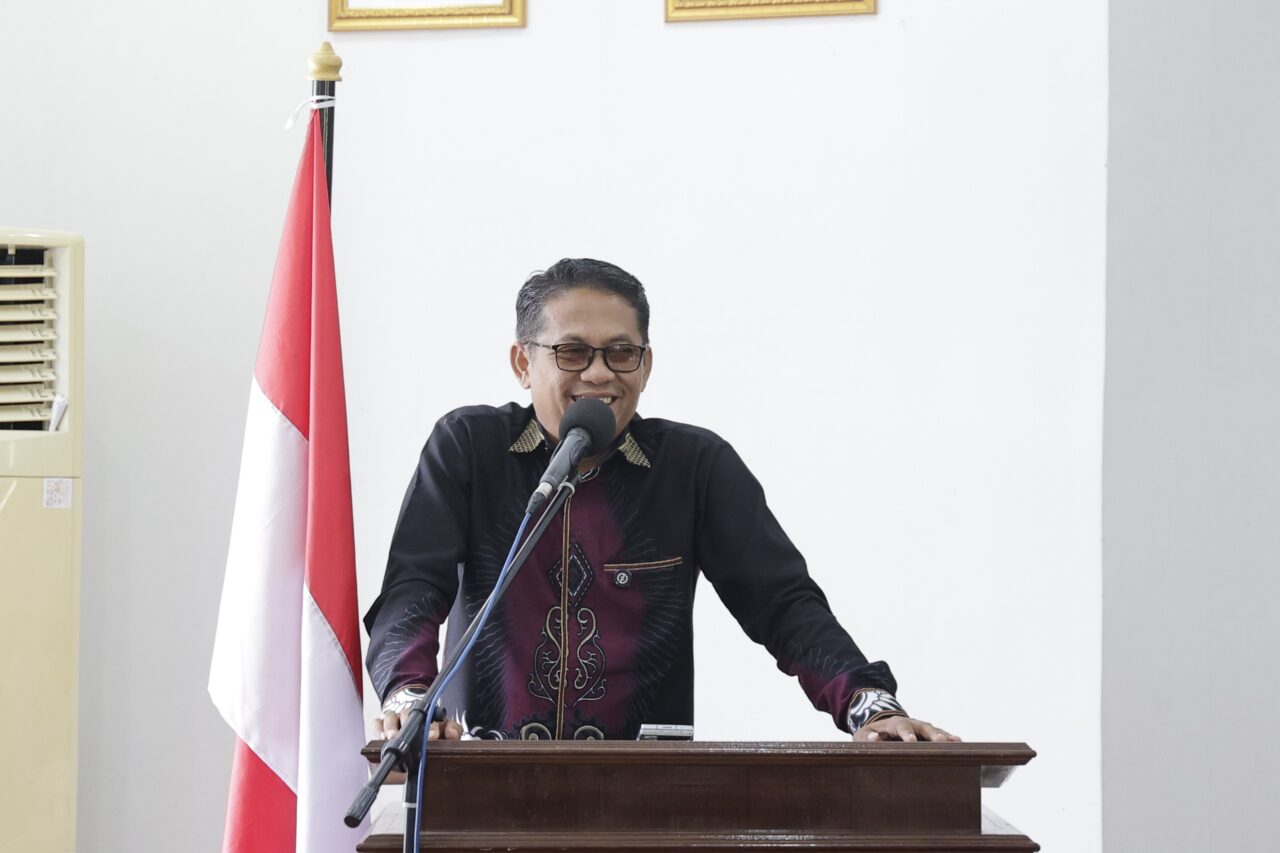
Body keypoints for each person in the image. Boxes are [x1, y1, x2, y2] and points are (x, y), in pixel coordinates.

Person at [365, 258, 957, 744]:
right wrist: (410, 696)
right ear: (524, 362)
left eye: (621, 353)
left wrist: (868, 705)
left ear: (645, 365)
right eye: (572, 352)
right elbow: (415, 587)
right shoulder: (469, 447)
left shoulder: (694, 467)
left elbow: (783, 605)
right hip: (481, 781)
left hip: (645, 796)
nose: (600, 374)